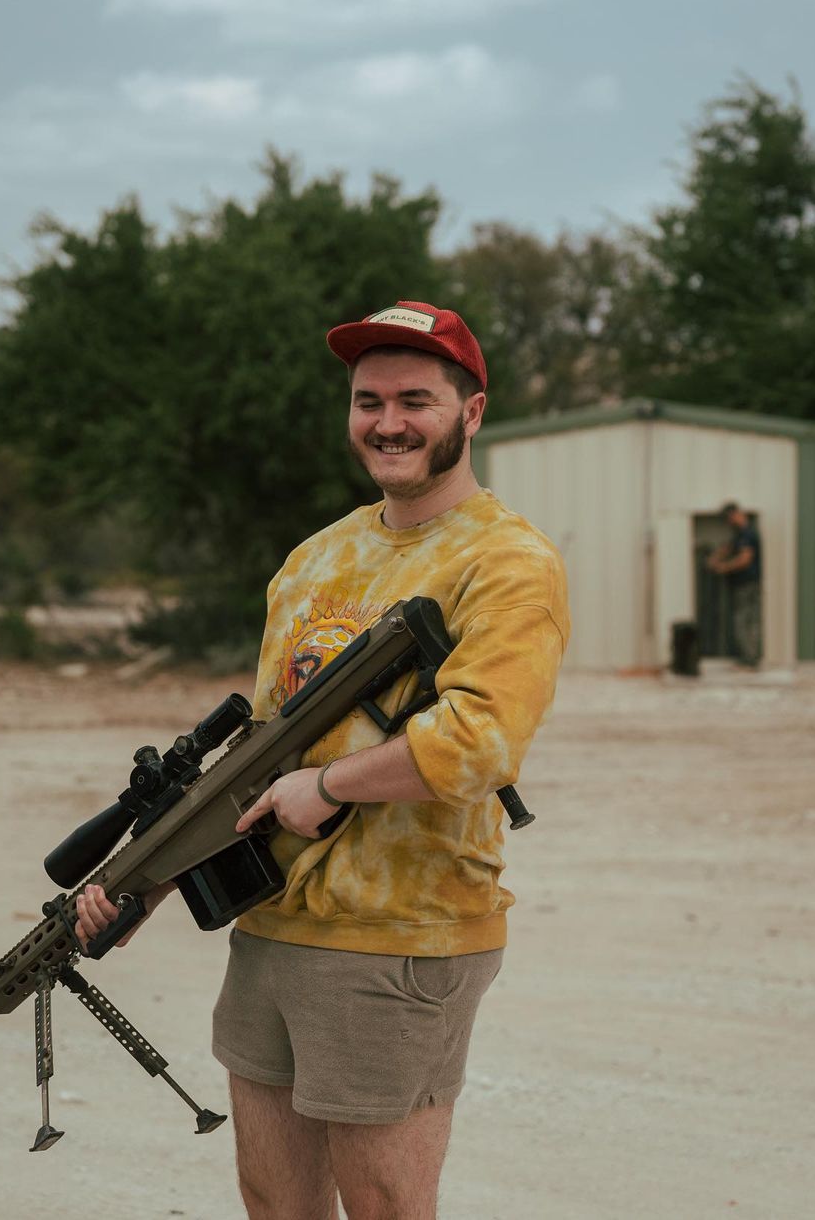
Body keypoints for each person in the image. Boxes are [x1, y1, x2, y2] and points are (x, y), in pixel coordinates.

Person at [76, 300, 569, 1219]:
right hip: (272, 927)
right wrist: (146, 883)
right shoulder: (315, 558)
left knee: (385, 1206)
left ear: (471, 412)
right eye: (368, 401)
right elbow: (257, 761)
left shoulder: (507, 561)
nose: (388, 422)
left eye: (415, 400)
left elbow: (480, 741)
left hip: (400, 934)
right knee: (275, 1202)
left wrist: (331, 785)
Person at [707, 502, 762, 667]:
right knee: (747, 620)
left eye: (728, 519)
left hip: (746, 584)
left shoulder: (747, 534)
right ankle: (750, 657)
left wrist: (724, 567)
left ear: (734, 515)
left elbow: (745, 559)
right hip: (745, 584)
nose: (728, 523)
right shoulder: (740, 534)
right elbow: (728, 548)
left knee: (743, 621)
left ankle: (750, 659)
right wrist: (714, 558)